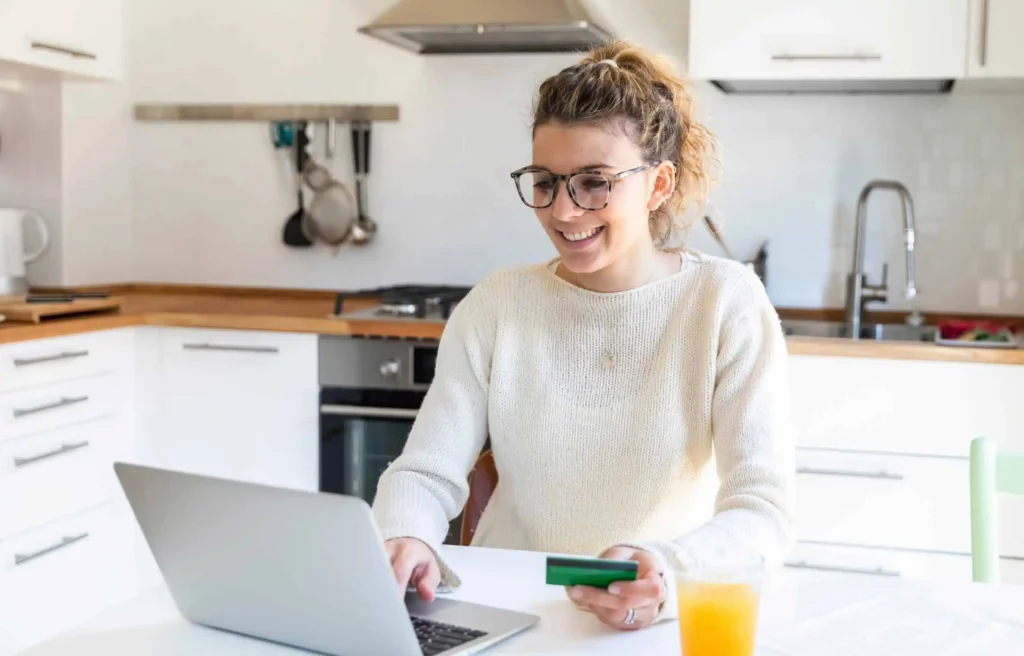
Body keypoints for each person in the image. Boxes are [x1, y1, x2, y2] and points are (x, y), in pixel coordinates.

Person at [372, 40, 795, 632]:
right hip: (504, 613)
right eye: (545, 181)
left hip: (652, 621)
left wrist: (667, 571)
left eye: (595, 182)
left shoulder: (724, 303)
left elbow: (763, 508)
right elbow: (424, 472)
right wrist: (405, 536)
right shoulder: (498, 304)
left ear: (658, 185)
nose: (564, 212)